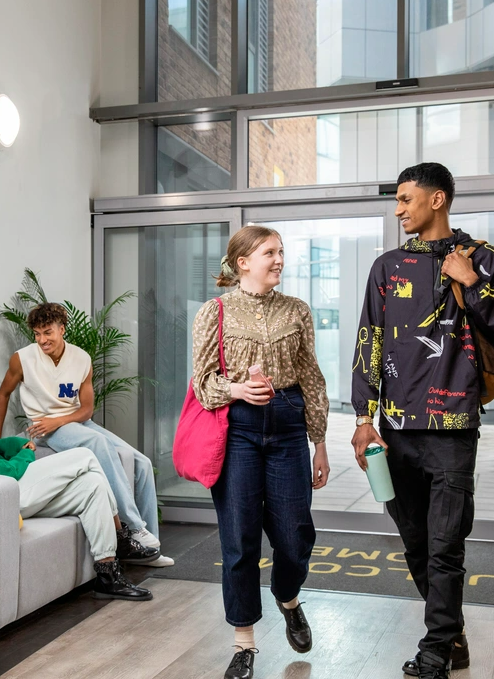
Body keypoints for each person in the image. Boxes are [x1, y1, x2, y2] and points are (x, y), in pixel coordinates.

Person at [351, 163, 494, 679]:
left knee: (446, 545)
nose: (398, 210)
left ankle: (434, 653)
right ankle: (453, 636)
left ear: (437, 199)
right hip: (395, 431)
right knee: (415, 542)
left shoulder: (482, 258)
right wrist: (363, 417)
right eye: (397, 200)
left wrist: (471, 282)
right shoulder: (387, 267)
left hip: (454, 428)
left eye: (406, 199)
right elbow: (369, 340)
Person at [191, 226, 331, 679]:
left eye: (281, 252)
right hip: (238, 430)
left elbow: (311, 377)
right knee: (239, 540)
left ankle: (288, 597)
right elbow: (202, 382)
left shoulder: (298, 310)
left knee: (295, 535)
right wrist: (237, 390)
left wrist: (319, 443)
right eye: (270, 252)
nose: (279, 260)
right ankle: (244, 642)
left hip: (288, 425)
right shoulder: (214, 312)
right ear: (243, 261)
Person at [0, 364, 159, 601]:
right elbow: (0, 470)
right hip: (10, 493)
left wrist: (16, 444)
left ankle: (107, 575)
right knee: (85, 456)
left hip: (12, 493)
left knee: (92, 484)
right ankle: (122, 538)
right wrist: (26, 454)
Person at [0, 302, 174, 567]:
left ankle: (150, 551)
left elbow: (87, 410)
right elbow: (3, 395)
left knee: (142, 463)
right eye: (37, 334)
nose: (42, 340)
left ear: (62, 329)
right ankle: (135, 528)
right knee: (97, 442)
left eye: (48, 332)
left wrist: (58, 420)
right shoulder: (22, 359)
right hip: (43, 429)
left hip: (75, 422)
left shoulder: (81, 359)